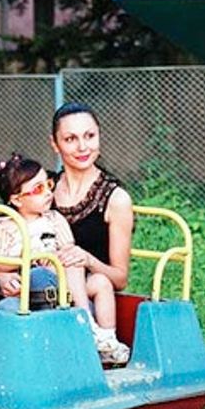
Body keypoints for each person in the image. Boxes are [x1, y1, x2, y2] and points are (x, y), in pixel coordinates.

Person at [0, 153, 130, 365]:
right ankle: (85, 320)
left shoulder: (55, 219)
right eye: (38, 189)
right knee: (30, 287)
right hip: (29, 287)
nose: (47, 193)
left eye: (48, 184)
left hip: (63, 286)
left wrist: (59, 257)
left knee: (98, 280)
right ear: (16, 199)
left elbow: (68, 247)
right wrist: (30, 259)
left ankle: (105, 338)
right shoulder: (7, 226)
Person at [49, 103, 134, 297]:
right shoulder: (43, 189)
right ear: (54, 144)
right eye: (70, 139)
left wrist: (87, 260)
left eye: (89, 136)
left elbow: (120, 279)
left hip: (90, 300)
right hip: (38, 291)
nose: (82, 147)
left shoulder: (116, 199)